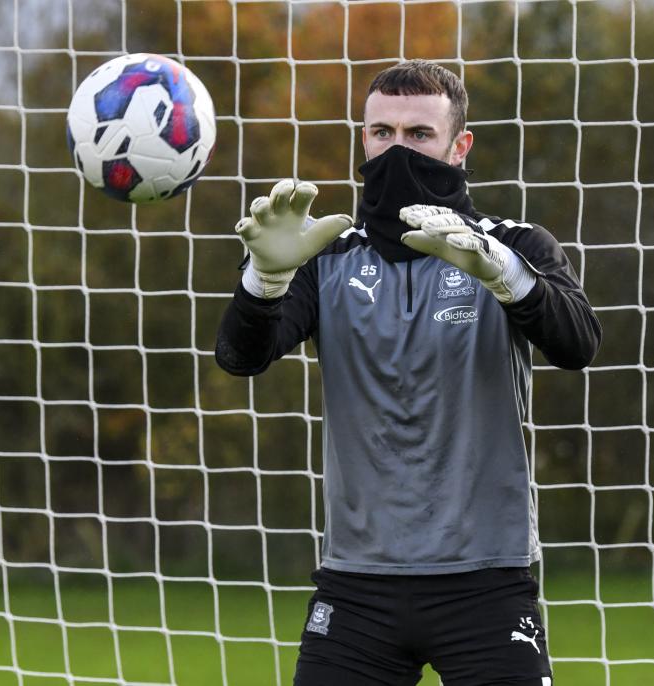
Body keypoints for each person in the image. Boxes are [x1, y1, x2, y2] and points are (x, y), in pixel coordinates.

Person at [215, 59, 601, 686]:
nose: (398, 150)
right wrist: (263, 280)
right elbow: (240, 357)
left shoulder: (515, 246)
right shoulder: (321, 257)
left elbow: (579, 344)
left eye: (419, 135)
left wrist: (508, 278)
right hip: (357, 585)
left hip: (487, 581)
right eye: (382, 133)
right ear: (362, 139)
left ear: (459, 145)